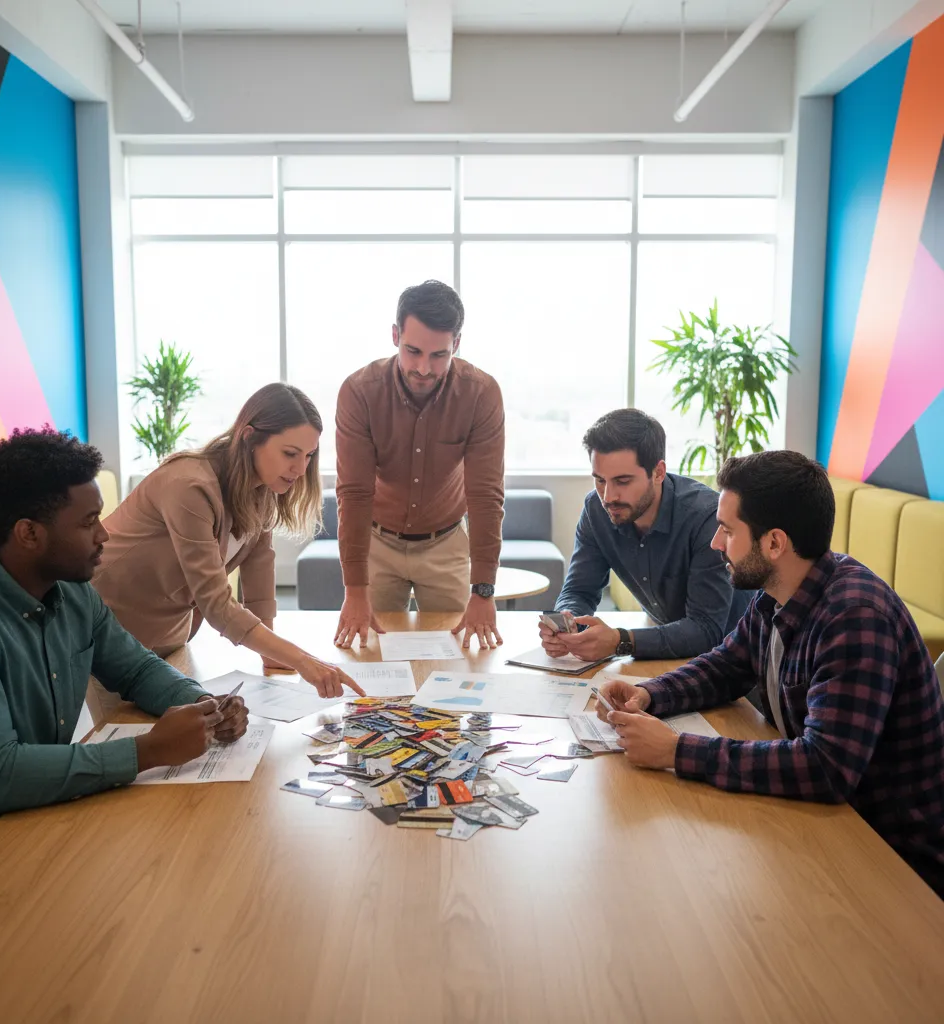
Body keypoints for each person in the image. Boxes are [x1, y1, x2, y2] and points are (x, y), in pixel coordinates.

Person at [599, 450, 944, 897]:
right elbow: (727, 665)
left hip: (892, 861)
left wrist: (677, 750)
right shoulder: (780, 590)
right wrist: (650, 695)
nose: (715, 544)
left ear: (774, 543)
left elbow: (824, 768)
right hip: (830, 831)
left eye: (727, 530)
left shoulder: (854, 617)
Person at [0, 429, 248, 889]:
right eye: (88, 521)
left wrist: (202, 704)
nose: (105, 533)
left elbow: (134, 668)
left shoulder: (72, 592)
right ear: (29, 533)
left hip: (31, 818)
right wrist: (147, 751)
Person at [94, 383, 362, 699]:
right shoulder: (189, 486)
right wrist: (301, 659)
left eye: (309, 456)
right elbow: (215, 601)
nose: (301, 469)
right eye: (290, 453)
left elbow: (259, 569)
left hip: (166, 638)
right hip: (110, 632)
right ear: (248, 437)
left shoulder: (262, 489)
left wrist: (272, 651)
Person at [334, 280, 505, 651]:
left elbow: (485, 496)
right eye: (412, 351)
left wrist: (484, 591)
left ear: (456, 344)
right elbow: (354, 493)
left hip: (445, 544)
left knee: (461, 663)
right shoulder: (359, 392)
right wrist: (355, 589)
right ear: (395, 335)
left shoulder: (481, 393)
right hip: (377, 544)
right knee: (369, 660)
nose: (423, 368)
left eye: (438, 355)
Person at [541, 409, 752, 662]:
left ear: (658, 472)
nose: (608, 497)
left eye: (623, 481)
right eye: (600, 480)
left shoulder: (705, 518)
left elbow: (706, 629)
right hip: (668, 651)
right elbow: (579, 590)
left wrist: (620, 640)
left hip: (737, 657)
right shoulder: (596, 510)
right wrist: (568, 621)